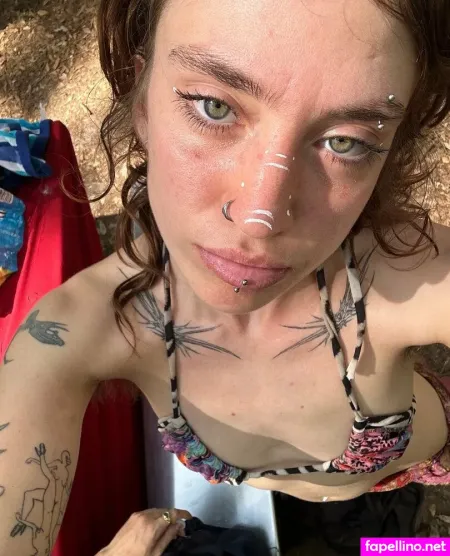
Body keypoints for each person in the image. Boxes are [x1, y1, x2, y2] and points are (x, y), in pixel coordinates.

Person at [0, 0, 449, 554]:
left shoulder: (408, 276)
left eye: (346, 141)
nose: (261, 219)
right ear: (142, 101)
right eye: (214, 107)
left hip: (401, 489)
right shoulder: (73, 335)